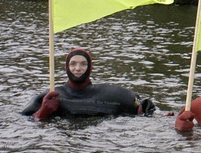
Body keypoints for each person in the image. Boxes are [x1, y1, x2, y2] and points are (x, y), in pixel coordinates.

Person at [21, 48, 155, 120]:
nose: (78, 69)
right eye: (73, 64)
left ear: (90, 68)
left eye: (83, 64)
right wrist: (42, 113)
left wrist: (151, 112)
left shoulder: (112, 94)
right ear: (66, 68)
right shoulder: (51, 96)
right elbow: (23, 121)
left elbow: (143, 107)